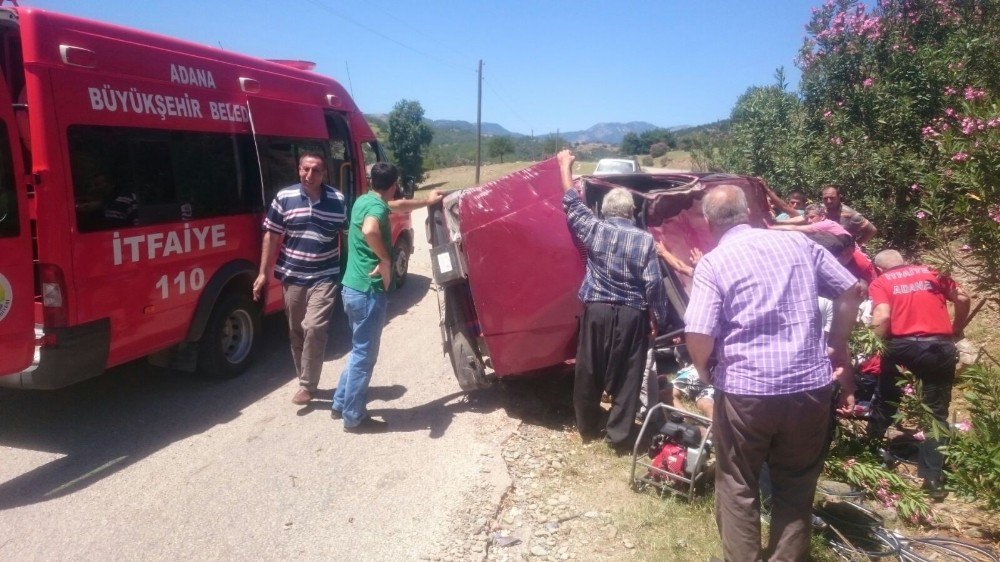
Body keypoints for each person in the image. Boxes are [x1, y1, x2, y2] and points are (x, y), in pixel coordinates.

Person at [683, 184, 864, 562]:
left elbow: (699, 331)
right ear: (748, 211)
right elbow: (850, 289)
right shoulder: (798, 245)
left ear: (709, 221)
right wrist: (836, 344)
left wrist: (703, 370)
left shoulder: (714, 263)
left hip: (746, 391)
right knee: (796, 483)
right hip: (808, 387)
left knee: (736, 482)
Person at [557, 149, 668, 452]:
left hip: (597, 311)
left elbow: (571, 202)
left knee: (589, 370)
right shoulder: (645, 240)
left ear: (606, 211)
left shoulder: (596, 229)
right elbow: (653, 284)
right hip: (633, 314)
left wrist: (564, 166)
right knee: (629, 376)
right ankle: (618, 436)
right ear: (632, 212)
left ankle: (588, 426)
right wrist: (657, 318)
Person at [331, 162, 443, 433]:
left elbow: (399, 205)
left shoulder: (364, 200)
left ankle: (339, 403)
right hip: (368, 291)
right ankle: (353, 417)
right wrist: (384, 259)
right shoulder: (376, 208)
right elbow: (371, 229)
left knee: (359, 349)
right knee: (364, 356)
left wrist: (427, 201)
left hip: (351, 288)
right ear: (394, 183)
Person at [866, 250, 970, 495]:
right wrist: (957, 328)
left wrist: (870, 346)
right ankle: (933, 480)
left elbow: (882, 316)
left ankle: (869, 449)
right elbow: (963, 297)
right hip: (938, 346)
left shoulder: (881, 282)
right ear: (902, 261)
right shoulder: (931, 272)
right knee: (936, 412)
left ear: (879, 268)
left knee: (887, 399)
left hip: (902, 347)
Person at [254, 153, 346, 406]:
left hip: (325, 276)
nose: (310, 175)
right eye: (305, 169)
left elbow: (346, 235)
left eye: (316, 170)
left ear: (324, 173)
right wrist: (263, 272)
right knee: (296, 331)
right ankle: (304, 378)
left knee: (314, 328)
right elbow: (271, 236)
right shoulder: (284, 198)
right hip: (293, 276)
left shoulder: (337, 200)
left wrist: (350, 270)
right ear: (299, 170)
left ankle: (307, 385)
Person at [770, 203, 851, 237]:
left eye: (812, 217)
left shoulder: (825, 224)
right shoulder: (825, 224)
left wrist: (769, 227)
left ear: (822, 216)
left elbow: (795, 228)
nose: (809, 221)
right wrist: (777, 222)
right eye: (807, 218)